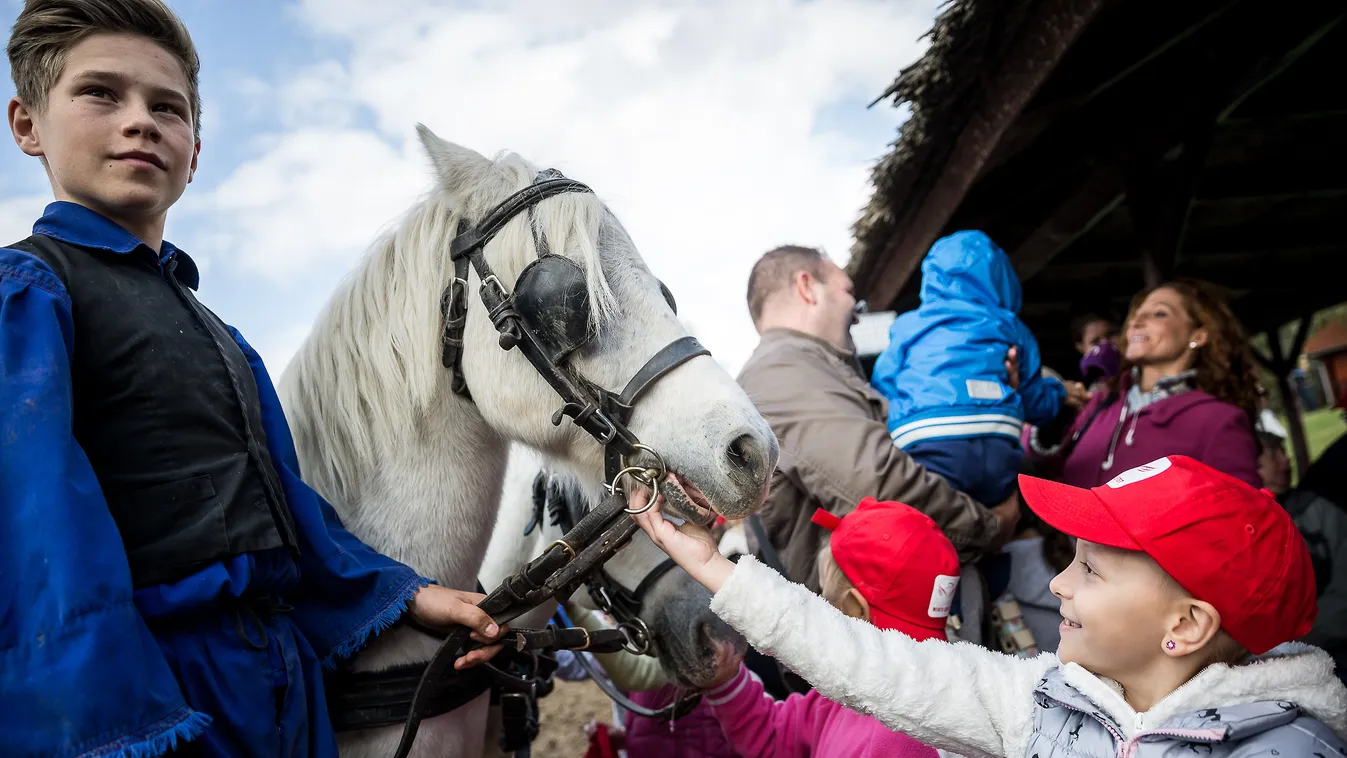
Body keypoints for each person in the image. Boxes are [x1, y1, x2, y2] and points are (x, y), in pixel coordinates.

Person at [0, 2, 501, 755]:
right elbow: (38, 536)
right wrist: (119, 724)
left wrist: (404, 594)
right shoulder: (31, 289)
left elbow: (295, 513)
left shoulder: (223, 336)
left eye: (166, 107)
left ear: (193, 151)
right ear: (27, 124)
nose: (141, 121)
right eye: (101, 93)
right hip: (158, 692)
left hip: (277, 684)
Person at [634, 455, 1347, 756]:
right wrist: (722, 574)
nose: (1059, 585)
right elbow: (877, 666)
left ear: (1184, 626)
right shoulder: (1041, 698)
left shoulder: (1288, 750)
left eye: (1090, 570)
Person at [738, 244, 1019, 594]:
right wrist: (990, 527)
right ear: (807, 287)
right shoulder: (781, 371)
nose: (857, 313)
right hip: (861, 624)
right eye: (849, 293)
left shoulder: (810, 369)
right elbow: (877, 487)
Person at [702, 498, 952, 757]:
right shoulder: (851, 688)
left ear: (856, 609)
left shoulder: (894, 744)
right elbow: (777, 734)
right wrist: (726, 682)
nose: (820, 603)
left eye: (824, 594)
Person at [870, 230, 1086, 506]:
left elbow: (883, 383)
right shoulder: (1009, 326)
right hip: (997, 433)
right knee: (1004, 511)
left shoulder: (908, 326)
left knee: (938, 521)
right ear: (1002, 279)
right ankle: (1024, 548)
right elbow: (1033, 397)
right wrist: (1058, 393)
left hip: (925, 436)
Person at [1027, 279, 1261, 489]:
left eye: (1159, 314)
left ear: (1198, 335)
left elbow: (1241, 523)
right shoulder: (1097, 404)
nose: (1136, 321)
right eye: (1137, 313)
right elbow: (1035, 465)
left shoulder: (1219, 420)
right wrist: (1052, 420)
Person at [1255, 418, 1347, 683]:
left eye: (1285, 452)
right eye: (1273, 455)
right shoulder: (1249, 524)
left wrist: (1299, 637)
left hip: (1330, 649)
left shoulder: (1317, 510)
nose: (1287, 461)